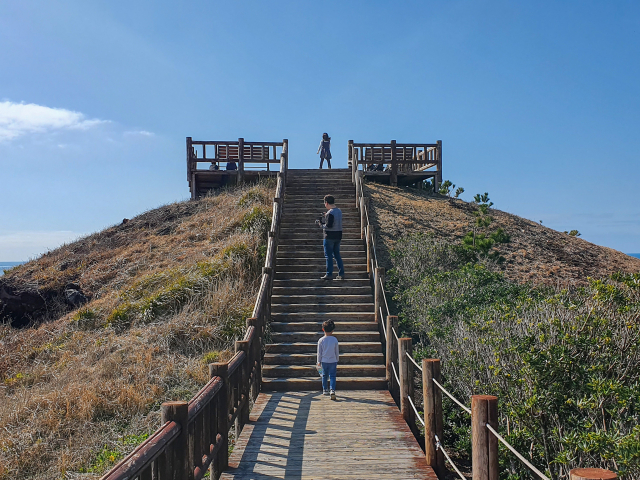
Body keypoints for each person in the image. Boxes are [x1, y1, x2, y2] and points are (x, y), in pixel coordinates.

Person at [315, 195, 344, 280]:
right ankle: (341, 273)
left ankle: (329, 274)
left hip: (329, 236)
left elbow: (329, 226)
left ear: (326, 203)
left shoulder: (330, 213)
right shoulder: (339, 211)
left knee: (328, 256)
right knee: (337, 255)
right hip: (338, 236)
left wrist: (320, 224)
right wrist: (326, 216)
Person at [317, 319, 339, 400]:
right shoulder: (334, 339)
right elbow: (336, 351)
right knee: (332, 376)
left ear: (323, 329)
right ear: (333, 330)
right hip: (333, 360)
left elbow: (319, 352)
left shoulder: (321, 340)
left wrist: (318, 362)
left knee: (324, 375)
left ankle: (325, 389)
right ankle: (332, 390)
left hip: (324, 361)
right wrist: (337, 359)